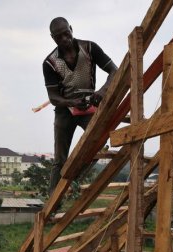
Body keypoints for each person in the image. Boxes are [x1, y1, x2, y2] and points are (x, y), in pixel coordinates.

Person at [43, 17, 118, 196]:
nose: (64, 39)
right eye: (59, 37)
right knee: (60, 158)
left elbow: (115, 71)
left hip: (89, 106)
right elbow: (53, 97)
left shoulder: (90, 48)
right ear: (53, 38)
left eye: (66, 34)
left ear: (71, 29)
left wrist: (102, 91)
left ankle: (75, 177)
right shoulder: (50, 62)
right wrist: (71, 102)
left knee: (98, 142)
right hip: (65, 110)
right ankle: (53, 199)